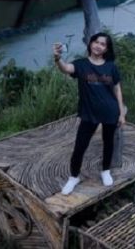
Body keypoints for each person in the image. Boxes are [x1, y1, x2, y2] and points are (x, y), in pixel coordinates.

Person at [53, 32, 126, 195]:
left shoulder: (111, 66)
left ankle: (105, 171)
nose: (98, 46)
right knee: (80, 146)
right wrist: (58, 58)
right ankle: (73, 177)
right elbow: (66, 69)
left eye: (103, 44)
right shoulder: (81, 64)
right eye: (96, 42)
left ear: (106, 49)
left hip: (110, 111)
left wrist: (121, 113)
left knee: (108, 143)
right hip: (89, 113)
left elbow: (117, 88)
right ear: (91, 43)